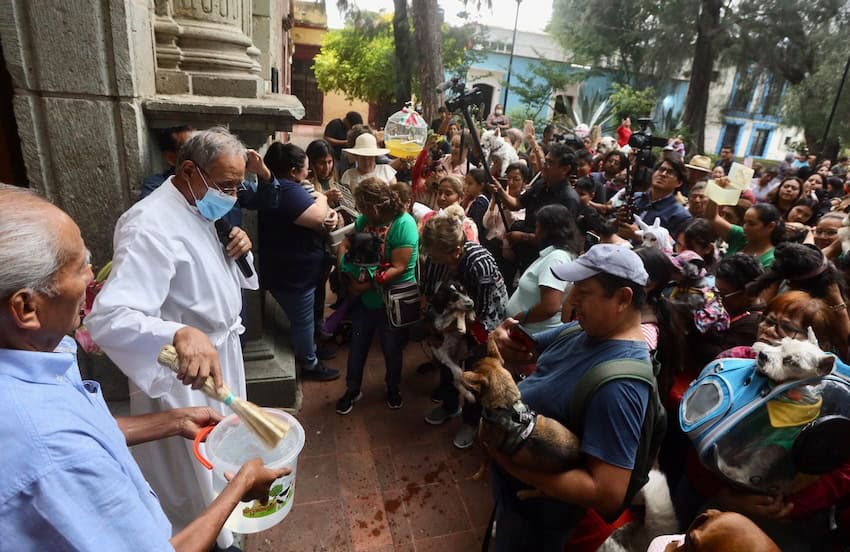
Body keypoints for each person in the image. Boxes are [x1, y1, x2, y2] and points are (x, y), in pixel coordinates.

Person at [0, 184, 287, 551]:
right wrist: (241, 484)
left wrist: (172, 422)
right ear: (26, 308)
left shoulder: (35, 364)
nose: (93, 275)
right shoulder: (54, 453)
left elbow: (87, 429)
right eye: (78, 266)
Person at [85, 128, 258, 550]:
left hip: (221, 353)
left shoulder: (200, 207)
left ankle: (225, 520)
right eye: (226, 185)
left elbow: (201, 279)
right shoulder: (149, 223)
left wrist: (240, 252)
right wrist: (177, 333)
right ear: (188, 170)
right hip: (183, 375)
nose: (233, 196)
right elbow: (109, 317)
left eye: (239, 186)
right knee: (191, 472)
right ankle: (205, 537)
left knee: (222, 452)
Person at [487, 244, 653, 550]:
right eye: (573, 288)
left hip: (537, 519)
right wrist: (502, 340)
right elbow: (526, 350)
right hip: (516, 498)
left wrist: (515, 468)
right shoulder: (585, 329)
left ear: (623, 298)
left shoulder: (621, 387)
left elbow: (608, 492)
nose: (572, 300)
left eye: (584, 292)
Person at [239, 142, 340, 381]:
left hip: (294, 268)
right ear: (293, 171)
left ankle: (312, 350)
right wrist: (322, 199)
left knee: (304, 317)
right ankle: (310, 363)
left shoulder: (283, 187)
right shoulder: (287, 190)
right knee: (302, 320)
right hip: (294, 273)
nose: (310, 172)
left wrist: (324, 210)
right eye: (306, 168)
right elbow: (316, 216)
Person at [420, 210, 508, 448]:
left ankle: (471, 420)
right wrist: (433, 329)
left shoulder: (479, 264)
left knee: (473, 368)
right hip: (449, 316)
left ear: (456, 251)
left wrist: (454, 332)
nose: (432, 259)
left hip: (481, 321)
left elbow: (481, 313)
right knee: (447, 363)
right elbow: (428, 293)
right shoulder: (435, 259)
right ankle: (450, 406)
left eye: (437, 257)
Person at [335, 178, 418, 415]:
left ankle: (393, 387)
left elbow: (400, 266)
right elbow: (347, 243)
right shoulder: (365, 221)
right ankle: (352, 389)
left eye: (362, 207)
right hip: (365, 300)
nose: (360, 213)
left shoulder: (404, 224)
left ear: (374, 207)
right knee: (358, 346)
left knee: (392, 349)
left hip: (391, 301)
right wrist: (343, 267)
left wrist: (363, 286)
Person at [489, 143, 581, 271]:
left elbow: (558, 240)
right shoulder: (541, 184)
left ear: (565, 169)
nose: (544, 166)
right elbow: (516, 204)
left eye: (550, 163)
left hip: (545, 260)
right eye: (545, 162)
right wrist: (500, 190)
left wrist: (522, 236)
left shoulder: (569, 199)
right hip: (525, 253)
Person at [505, 204, 581, 333]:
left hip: (533, 334)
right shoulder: (555, 253)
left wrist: (520, 318)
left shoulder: (556, 259)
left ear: (547, 232)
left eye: (538, 227)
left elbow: (550, 306)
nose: (535, 232)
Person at [619, 157, 693, 242]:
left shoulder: (680, 215)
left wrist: (641, 237)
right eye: (661, 169)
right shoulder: (635, 197)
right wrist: (618, 220)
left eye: (670, 172)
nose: (663, 174)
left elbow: (673, 249)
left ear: (679, 183)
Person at [705, 199, 783, 268]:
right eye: (745, 222)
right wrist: (717, 188)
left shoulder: (770, 260)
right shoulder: (741, 236)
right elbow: (712, 217)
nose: (745, 227)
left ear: (770, 226)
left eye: (752, 224)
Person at [338, 133, 397, 213]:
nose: (366, 162)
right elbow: (346, 204)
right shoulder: (348, 175)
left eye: (370, 158)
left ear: (375, 156)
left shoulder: (386, 170)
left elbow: (395, 198)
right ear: (357, 157)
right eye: (363, 158)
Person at [140, 125, 195, 199]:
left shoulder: (210, 178)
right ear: (170, 158)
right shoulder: (157, 185)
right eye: (190, 148)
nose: (200, 152)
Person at [462, 168, 490, 240]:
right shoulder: (470, 199)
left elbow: (475, 227)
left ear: (481, 185)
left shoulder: (480, 203)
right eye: (465, 182)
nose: (466, 186)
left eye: (470, 184)